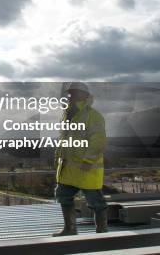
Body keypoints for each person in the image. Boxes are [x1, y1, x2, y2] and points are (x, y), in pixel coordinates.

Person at [53, 82, 108, 236]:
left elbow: (98, 141)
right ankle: (70, 229)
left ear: (84, 95)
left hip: (86, 169)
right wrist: (58, 156)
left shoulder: (93, 115)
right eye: (70, 93)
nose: (70, 96)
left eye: (74, 93)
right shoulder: (67, 114)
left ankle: (102, 232)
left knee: (96, 202)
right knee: (64, 197)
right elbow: (63, 138)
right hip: (68, 168)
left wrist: (88, 161)